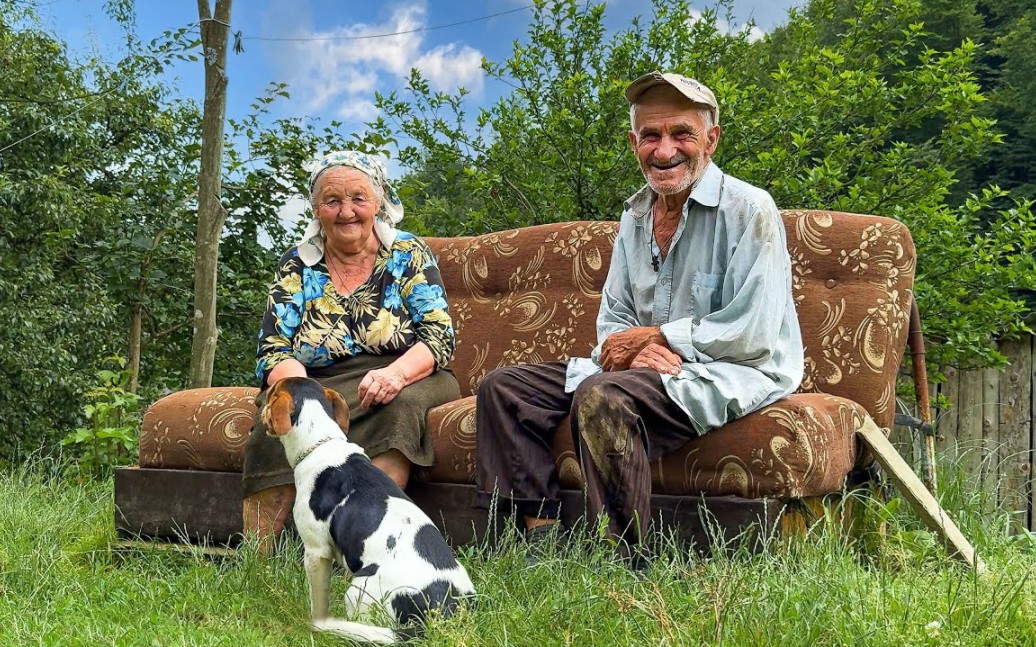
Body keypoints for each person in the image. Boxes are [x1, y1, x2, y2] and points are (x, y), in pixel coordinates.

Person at [474, 72, 804, 560]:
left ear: (711, 140)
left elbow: (751, 329)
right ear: (634, 143)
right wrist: (634, 351)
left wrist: (661, 339)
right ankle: (541, 539)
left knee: (601, 395)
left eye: (681, 134)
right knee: (503, 389)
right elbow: (614, 319)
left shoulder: (749, 208)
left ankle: (625, 557)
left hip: (732, 369)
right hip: (648, 372)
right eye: (651, 135)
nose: (664, 149)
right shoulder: (634, 217)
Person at [243, 150, 460, 552]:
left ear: (378, 202)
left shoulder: (408, 253)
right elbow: (273, 348)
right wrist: (304, 393)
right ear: (315, 209)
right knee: (276, 421)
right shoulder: (297, 264)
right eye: (332, 201)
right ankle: (260, 559)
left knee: (397, 408)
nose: (346, 212)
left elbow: (438, 336)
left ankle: (364, 546)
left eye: (358, 198)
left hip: (408, 371)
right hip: (315, 378)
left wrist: (394, 375)